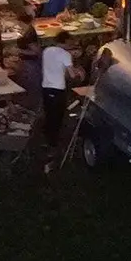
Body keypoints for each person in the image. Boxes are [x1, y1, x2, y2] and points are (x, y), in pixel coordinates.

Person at [40, 32, 76, 163]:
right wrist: (77, 70)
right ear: (65, 41)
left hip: (45, 87)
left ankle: (47, 139)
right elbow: (72, 75)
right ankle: (53, 145)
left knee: (49, 114)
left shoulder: (46, 51)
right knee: (57, 117)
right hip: (58, 89)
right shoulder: (66, 55)